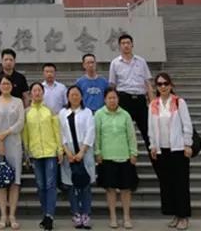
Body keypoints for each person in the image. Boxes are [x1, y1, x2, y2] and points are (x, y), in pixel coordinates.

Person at [148, 72, 193, 231]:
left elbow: (187, 124)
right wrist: (153, 145)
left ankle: (183, 216)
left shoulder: (179, 102)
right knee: (167, 184)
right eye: (159, 84)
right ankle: (175, 213)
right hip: (162, 150)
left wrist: (187, 144)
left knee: (181, 183)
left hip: (178, 150)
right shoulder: (153, 104)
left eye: (165, 83)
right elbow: (151, 127)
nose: (163, 87)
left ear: (171, 85)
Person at [95, 88, 138, 230]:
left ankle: (126, 217)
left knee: (126, 189)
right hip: (107, 157)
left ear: (118, 99)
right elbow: (97, 135)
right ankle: (113, 217)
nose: (112, 100)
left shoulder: (125, 114)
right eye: (109, 98)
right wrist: (97, 152)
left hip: (124, 157)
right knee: (110, 189)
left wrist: (133, 153)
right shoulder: (99, 114)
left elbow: (131, 135)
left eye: (114, 98)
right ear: (104, 100)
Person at [22, 82, 63, 231]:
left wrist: (59, 149)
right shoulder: (27, 112)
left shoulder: (49, 111)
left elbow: (57, 131)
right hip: (36, 153)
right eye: (34, 90)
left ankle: (49, 216)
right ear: (30, 94)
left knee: (51, 184)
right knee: (40, 185)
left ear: (43, 93)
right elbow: (25, 133)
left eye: (40, 90)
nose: (37, 93)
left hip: (50, 151)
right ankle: (45, 213)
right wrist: (26, 152)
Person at [0, 74, 25, 230]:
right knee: (1, 180)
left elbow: (21, 122)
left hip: (14, 143)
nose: (5, 86)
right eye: (3, 83)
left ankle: (12, 215)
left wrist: (6, 133)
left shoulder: (18, 102)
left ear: (12, 86)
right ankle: (3, 215)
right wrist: (0, 139)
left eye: (8, 83)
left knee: (15, 181)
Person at [108, 34, 154, 154]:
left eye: (128, 43)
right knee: (123, 132)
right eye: (123, 43)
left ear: (132, 44)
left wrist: (153, 103)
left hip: (140, 99)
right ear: (119, 46)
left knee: (148, 132)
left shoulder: (141, 61)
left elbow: (147, 83)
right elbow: (112, 86)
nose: (126, 45)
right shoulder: (115, 63)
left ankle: (156, 158)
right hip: (124, 99)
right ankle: (125, 160)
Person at [59, 85, 95, 230]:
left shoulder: (87, 112)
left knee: (85, 184)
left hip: (84, 150)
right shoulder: (62, 113)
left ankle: (86, 214)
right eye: (72, 94)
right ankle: (76, 214)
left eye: (77, 94)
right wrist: (67, 152)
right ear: (68, 97)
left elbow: (91, 131)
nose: (74, 97)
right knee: (71, 184)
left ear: (81, 96)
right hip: (68, 151)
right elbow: (60, 133)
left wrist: (82, 152)